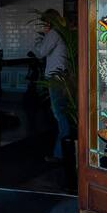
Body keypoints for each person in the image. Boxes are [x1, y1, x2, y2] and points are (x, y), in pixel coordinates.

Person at [30, 9, 72, 163]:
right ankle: (65, 151)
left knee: (59, 115)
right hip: (65, 78)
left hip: (56, 78)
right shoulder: (64, 33)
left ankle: (60, 154)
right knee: (63, 114)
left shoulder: (53, 34)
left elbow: (41, 52)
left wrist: (39, 39)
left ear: (48, 21)